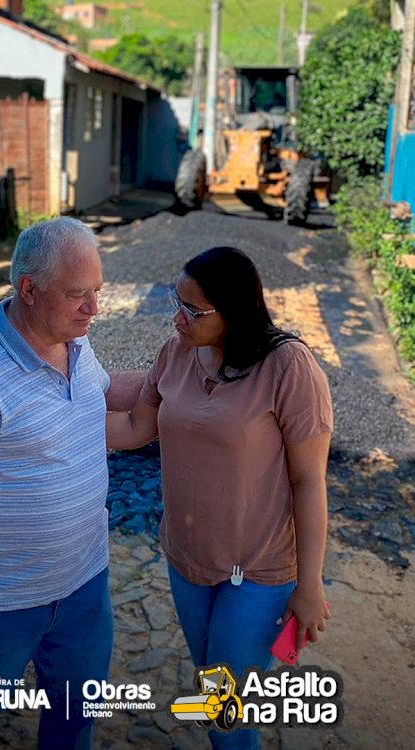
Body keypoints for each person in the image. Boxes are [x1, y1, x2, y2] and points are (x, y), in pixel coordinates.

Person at [0, 217, 142, 750]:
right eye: (77, 295)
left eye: (97, 292)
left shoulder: (75, 341)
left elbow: (101, 402)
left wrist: (184, 374)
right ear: (29, 290)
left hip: (84, 588)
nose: (94, 308)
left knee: (73, 728)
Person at [106, 246, 333, 750]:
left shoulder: (288, 366)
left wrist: (311, 586)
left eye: (193, 310)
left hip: (259, 572)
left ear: (235, 310)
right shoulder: (176, 353)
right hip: (187, 559)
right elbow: (135, 426)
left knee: (226, 714)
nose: (177, 317)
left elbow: (309, 481)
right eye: (177, 301)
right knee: (212, 679)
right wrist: (49, 423)